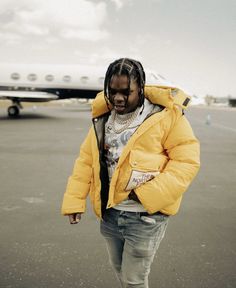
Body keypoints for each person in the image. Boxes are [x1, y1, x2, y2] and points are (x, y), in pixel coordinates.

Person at [61, 58, 200, 288]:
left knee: (133, 279)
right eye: (113, 91)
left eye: (127, 92)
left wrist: (147, 195)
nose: (118, 98)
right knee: (121, 273)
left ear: (141, 89)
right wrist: (74, 201)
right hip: (111, 213)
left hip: (145, 217)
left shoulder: (167, 116)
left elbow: (187, 162)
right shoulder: (102, 119)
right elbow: (86, 162)